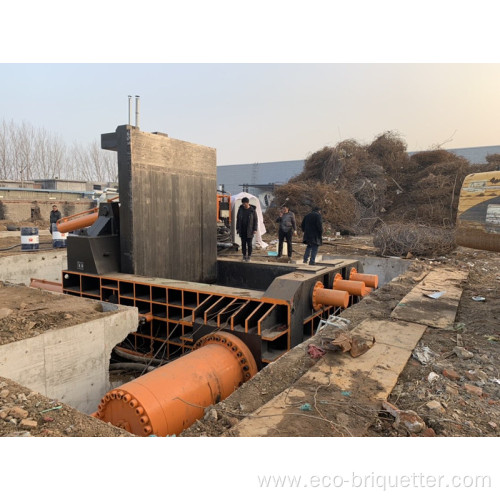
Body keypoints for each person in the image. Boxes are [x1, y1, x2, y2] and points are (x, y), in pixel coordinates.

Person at [236, 197, 258, 261]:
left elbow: (255, 220)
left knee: (249, 244)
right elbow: (238, 220)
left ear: (248, 203)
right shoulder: (240, 210)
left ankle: (249, 256)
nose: (244, 205)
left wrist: (255, 229)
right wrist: (237, 228)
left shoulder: (252, 211)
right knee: (243, 243)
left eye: (245, 203)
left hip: (250, 230)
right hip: (242, 230)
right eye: (243, 203)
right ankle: (244, 255)